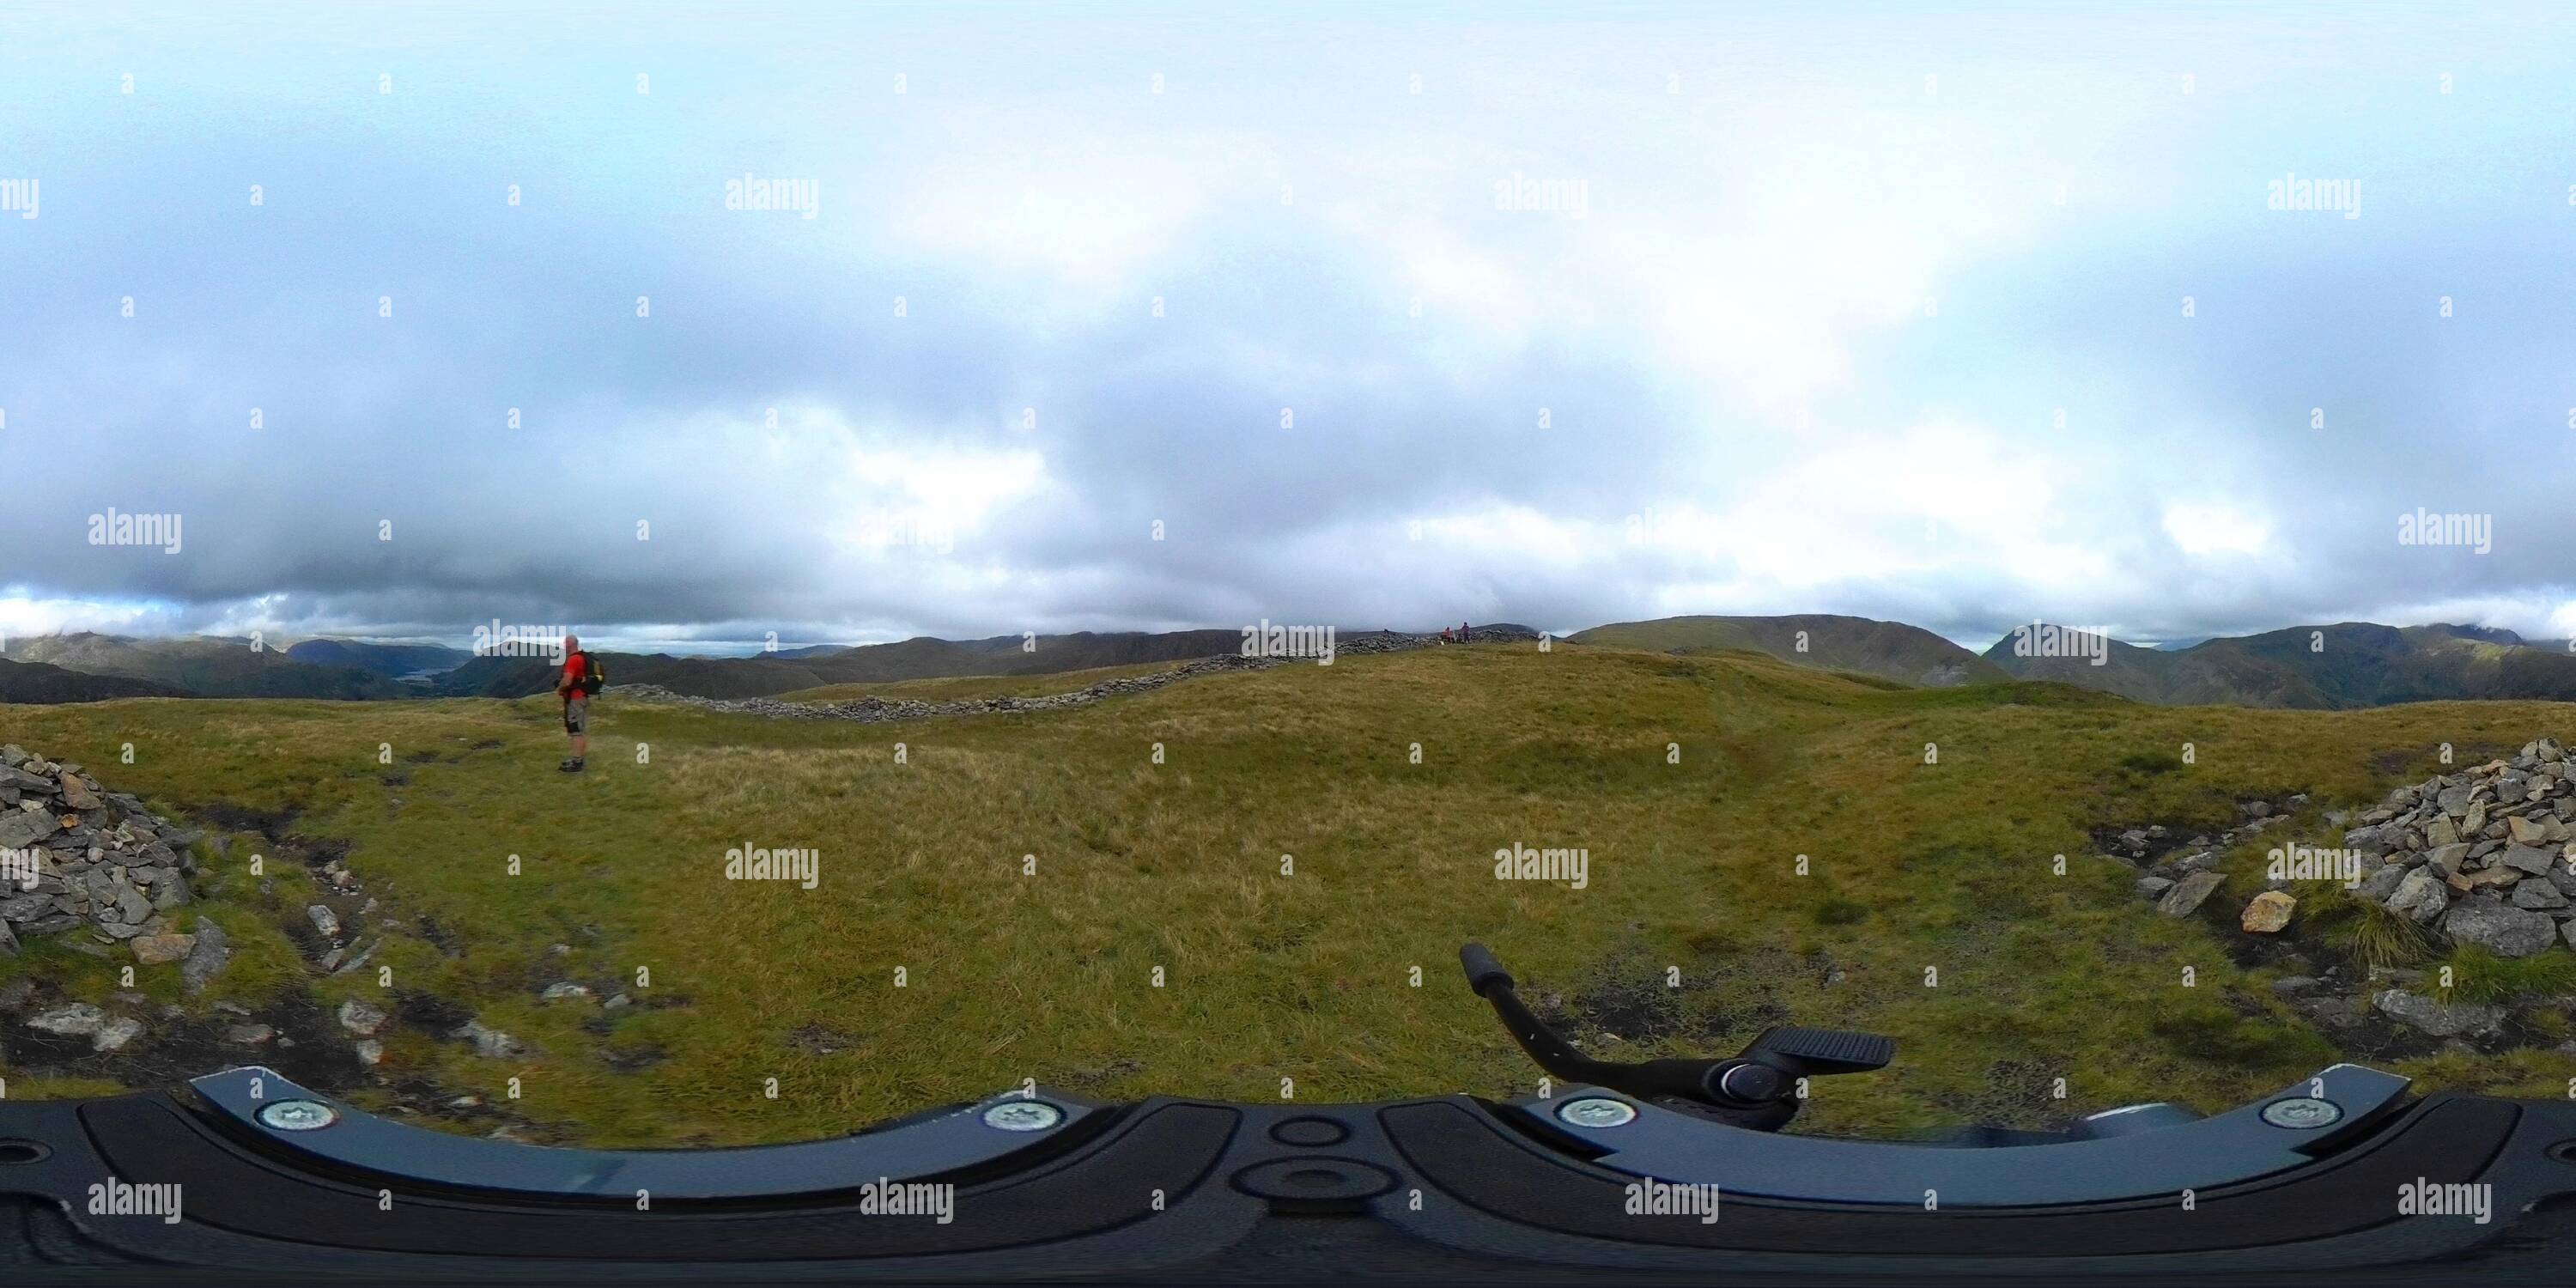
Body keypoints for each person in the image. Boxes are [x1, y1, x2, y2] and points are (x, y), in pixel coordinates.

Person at [556, 635, 596, 773]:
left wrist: (559, 688)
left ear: (570, 644)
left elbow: (567, 681)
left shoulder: (573, 660)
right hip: (582, 698)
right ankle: (578, 759)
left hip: (575, 700)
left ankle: (577, 763)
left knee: (575, 731)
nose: (564, 646)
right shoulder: (582, 658)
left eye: (565, 643)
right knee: (579, 730)